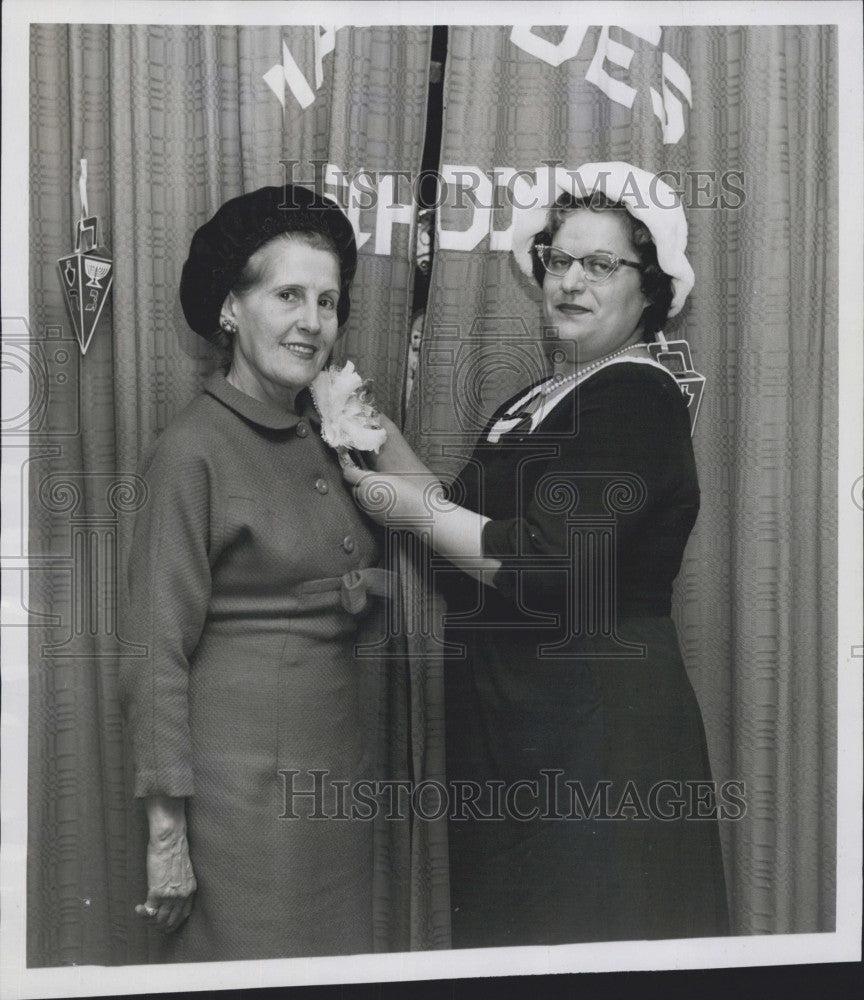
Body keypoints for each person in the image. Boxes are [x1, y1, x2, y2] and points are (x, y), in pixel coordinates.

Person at [344, 162, 730, 947]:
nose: (572, 282)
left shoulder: (636, 395)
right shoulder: (537, 397)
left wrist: (406, 509)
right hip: (519, 726)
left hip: (599, 735)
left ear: (649, 286)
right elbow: (458, 508)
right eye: (560, 259)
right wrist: (369, 431)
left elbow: (540, 565)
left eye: (602, 265)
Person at [120, 185, 388, 961]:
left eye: (329, 301)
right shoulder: (191, 450)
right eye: (288, 295)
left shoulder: (323, 437)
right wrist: (167, 833)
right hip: (240, 805)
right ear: (231, 310)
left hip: (333, 787)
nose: (313, 321)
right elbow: (153, 648)